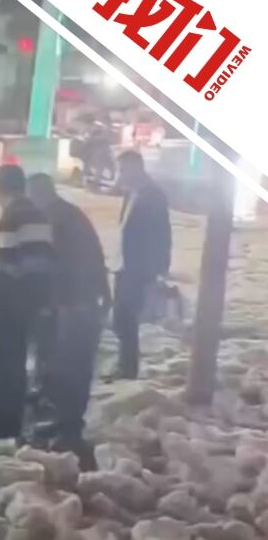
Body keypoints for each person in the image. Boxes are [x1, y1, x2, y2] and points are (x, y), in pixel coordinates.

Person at [27, 173, 109, 466]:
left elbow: (56, 268)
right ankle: (70, 425)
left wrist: (48, 304)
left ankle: (65, 430)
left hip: (70, 306)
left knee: (64, 367)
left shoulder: (54, 221)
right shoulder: (73, 215)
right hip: (86, 304)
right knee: (76, 366)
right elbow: (97, 258)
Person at [0, 165, 55, 443]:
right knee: (17, 366)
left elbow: (6, 262)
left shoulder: (10, 217)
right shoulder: (40, 215)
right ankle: (14, 425)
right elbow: (44, 262)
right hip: (29, 305)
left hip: (6, 307)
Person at [113, 150, 171, 379]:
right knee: (121, 319)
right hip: (124, 265)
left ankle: (128, 369)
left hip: (138, 268)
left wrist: (158, 270)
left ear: (137, 168)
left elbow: (162, 235)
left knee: (126, 317)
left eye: (124, 169)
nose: (121, 174)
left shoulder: (153, 196)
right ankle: (125, 365)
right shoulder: (132, 193)